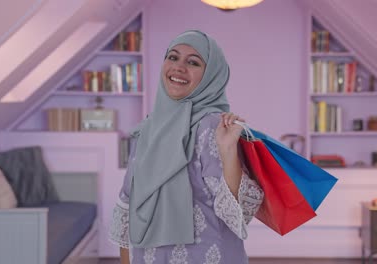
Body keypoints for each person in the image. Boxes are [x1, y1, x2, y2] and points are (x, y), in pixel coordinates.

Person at [108, 30, 264, 264]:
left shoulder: (213, 126)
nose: (179, 67)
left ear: (212, 74)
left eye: (193, 62)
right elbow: (127, 206)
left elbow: (236, 211)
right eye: (173, 57)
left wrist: (228, 150)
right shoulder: (147, 129)